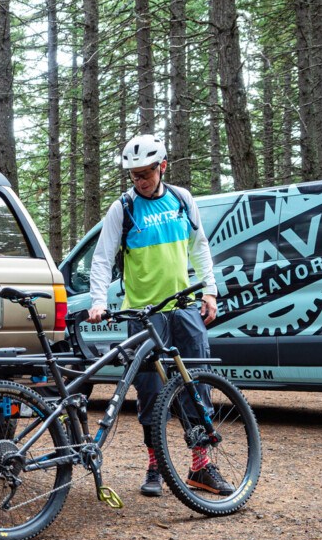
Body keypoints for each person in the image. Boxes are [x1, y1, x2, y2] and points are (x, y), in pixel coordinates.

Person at [87, 133, 233, 498]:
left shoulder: (182, 200)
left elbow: (200, 248)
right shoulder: (123, 208)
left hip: (183, 309)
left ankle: (201, 467)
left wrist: (210, 290)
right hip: (143, 315)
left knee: (195, 387)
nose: (140, 180)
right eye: (134, 175)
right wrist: (97, 301)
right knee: (150, 394)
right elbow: (102, 258)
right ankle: (155, 464)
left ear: (162, 166)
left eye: (146, 173)